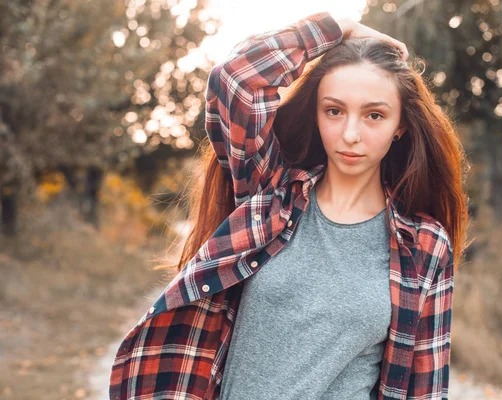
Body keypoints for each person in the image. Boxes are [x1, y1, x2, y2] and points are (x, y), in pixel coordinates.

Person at [110, 11, 470, 400]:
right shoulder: (271, 196)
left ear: (399, 126)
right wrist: (340, 28)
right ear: (316, 114)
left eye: (374, 115)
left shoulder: (425, 245)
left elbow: (425, 389)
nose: (350, 134)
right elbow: (237, 79)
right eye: (334, 110)